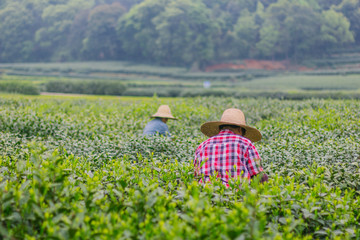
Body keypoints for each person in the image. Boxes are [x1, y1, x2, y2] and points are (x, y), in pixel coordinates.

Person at [194, 108, 268, 187]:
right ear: (240, 130)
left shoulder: (203, 146)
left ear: (220, 129)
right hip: (237, 196)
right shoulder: (246, 144)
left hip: (206, 195)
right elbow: (258, 176)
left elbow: (196, 176)